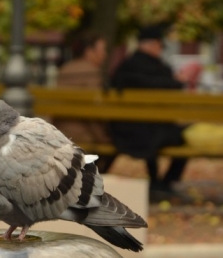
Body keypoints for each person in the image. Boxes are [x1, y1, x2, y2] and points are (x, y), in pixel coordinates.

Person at [110, 24, 197, 200]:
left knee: (154, 132)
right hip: (150, 133)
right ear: (152, 44)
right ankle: (163, 184)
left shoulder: (125, 67)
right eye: (160, 45)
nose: (161, 49)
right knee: (180, 142)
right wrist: (178, 82)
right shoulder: (160, 71)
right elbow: (172, 91)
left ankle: (157, 183)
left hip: (122, 131)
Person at [54, 32, 115, 173]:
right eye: (102, 50)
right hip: (85, 135)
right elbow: (94, 113)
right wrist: (103, 138)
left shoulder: (64, 69)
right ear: (89, 51)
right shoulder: (93, 73)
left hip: (62, 132)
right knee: (114, 147)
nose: (104, 54)